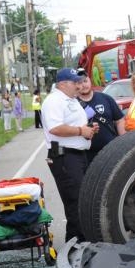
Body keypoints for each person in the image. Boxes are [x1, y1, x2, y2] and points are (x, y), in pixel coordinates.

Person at [41, 67, 99, 242]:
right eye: (75, 82)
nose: (79, 85)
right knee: (76, 201)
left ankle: (80, 240)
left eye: (80, 81)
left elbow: (75, 124)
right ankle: (76, 244)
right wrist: (81, 131)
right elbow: (55, 128)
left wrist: (88, 129)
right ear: (63, 84)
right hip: (64, 156)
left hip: (77, 155)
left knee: (82, 199)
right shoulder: (53, 101)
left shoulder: (71, 100)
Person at [77, 69, 126, 163]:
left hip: (110, 151)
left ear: (90, 81)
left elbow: (119, 120)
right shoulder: (73, 104)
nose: (83, 85)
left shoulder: (106, 99)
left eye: (85, 81)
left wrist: (123, 142)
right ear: (75, 85)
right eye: (79, 82)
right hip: (85, 154)